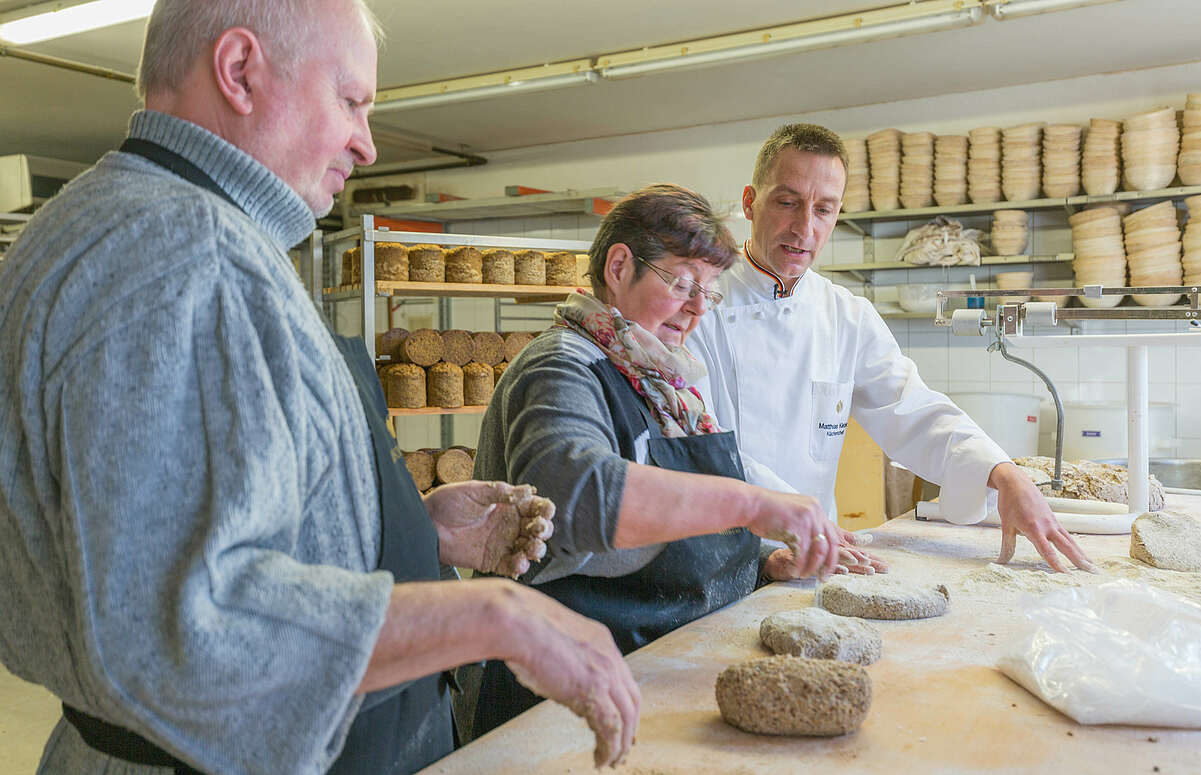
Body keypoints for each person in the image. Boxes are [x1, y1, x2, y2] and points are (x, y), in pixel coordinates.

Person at [0, 1, 639, 773]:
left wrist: (393, 525)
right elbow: (192, 633)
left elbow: (144, 530)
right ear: (239, 71)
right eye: (351, 101)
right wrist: (494, 614)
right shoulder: (188, 260)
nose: (366, 144)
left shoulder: (120, 218)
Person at [468, 183, 887, 740]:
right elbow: (574, 498)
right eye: (683, 283)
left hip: (647, 663)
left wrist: (757, 563)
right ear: (619, 266)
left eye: (707, 292)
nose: (695, 310)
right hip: (554, 692)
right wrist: (752, 503)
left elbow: (669, 537)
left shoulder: (657, 377)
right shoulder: (561, 366)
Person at [686, 123, 1095, 577]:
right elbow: (700, 447)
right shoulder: (695, 305)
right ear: (749, 201)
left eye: (824, 209)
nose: (804, 227)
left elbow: (913, 411)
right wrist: (772, 539)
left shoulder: (845, 315)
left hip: (818, 560)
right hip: (716, 562)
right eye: (787, 202)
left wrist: (1002, 473)